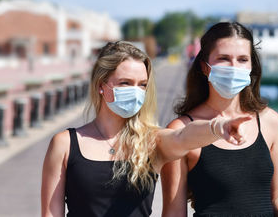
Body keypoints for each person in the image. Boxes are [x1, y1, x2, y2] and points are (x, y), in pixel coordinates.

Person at [41, 41, 251, 217]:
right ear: (101, 85)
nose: (136, 92)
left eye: (142, 85)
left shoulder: (151, 141)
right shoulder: (65, 143)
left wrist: (216, 126)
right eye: (125, 83)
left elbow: (182, 137)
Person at [161, 22, 278, 216]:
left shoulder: (270, 122)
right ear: (204, 67)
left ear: (251, 66)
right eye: (223, 58)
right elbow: (174, 212)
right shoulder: (181, 130)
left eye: (242, 59)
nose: (234, 67)